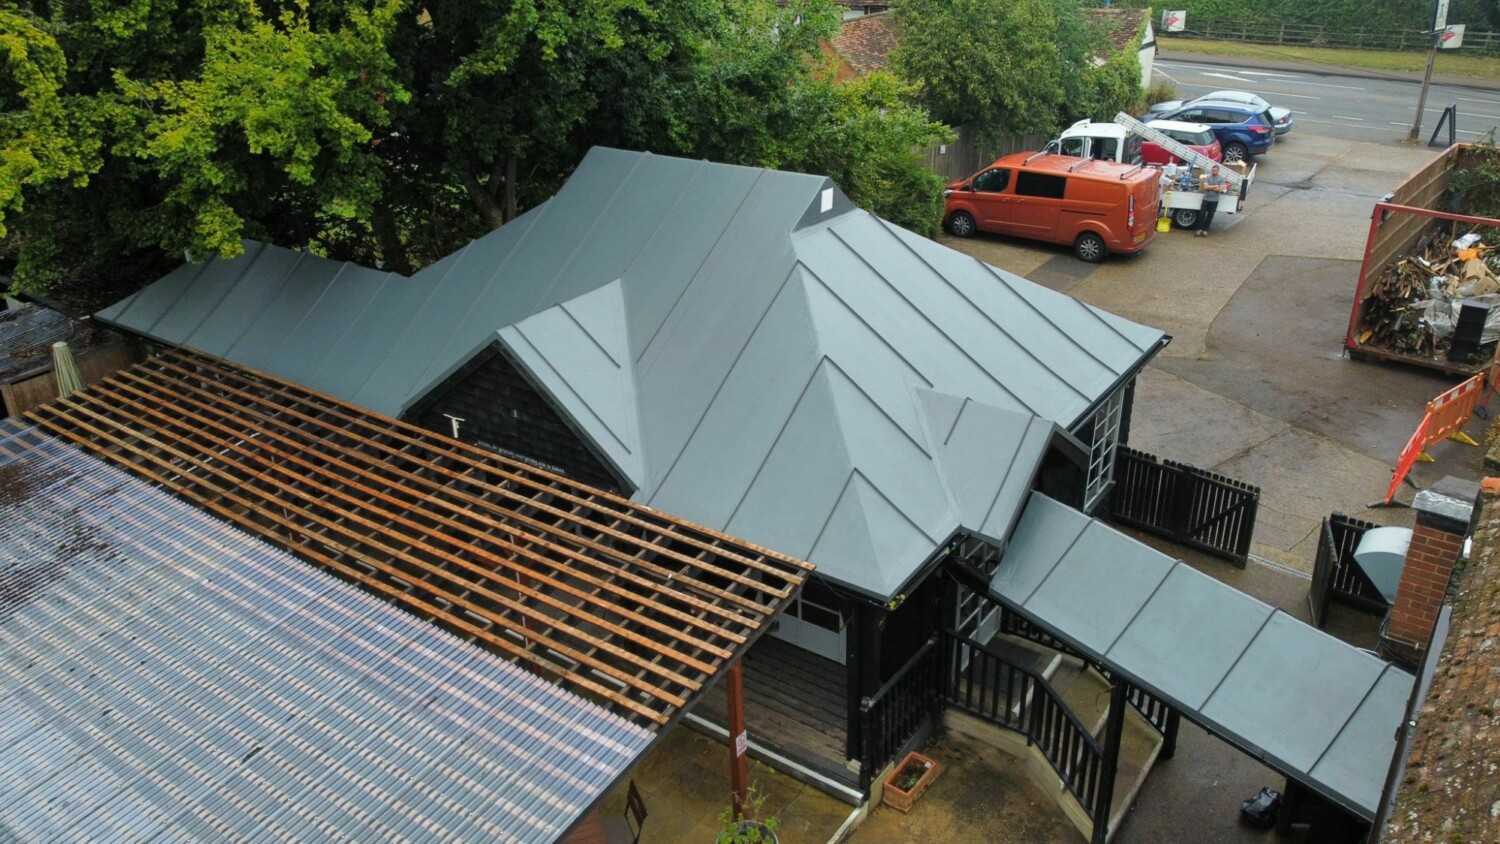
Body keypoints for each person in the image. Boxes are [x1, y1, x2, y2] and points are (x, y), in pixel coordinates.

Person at [1196, 164, 1228, 237]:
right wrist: (1216, 186)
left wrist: (1210, 187)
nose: (1213, 171)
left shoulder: (1221, 178)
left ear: (1218, 171)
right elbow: (1205, 187)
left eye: (1215, 170)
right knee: (1202, 215)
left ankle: (1205, 230)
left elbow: (1220, 189)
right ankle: (1199, 230)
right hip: (1206, 199)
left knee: (1210, 216)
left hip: (1214, 200)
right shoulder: (1208, 177)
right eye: (1212, 170)